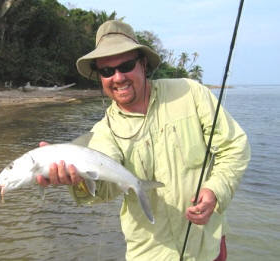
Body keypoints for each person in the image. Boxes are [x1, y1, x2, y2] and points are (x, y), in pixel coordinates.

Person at [37, 20, 250, 261]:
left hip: (207, 246)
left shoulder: (190, 93)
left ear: (143, 64)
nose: (118, 77)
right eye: (107, 71)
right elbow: (104, 190)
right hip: (150, 253)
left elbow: (235, 146)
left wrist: (215, 190)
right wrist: (76, 180)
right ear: (100, 77)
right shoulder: (104, 132)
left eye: (126, 65)